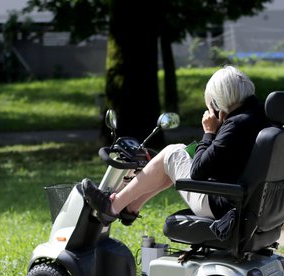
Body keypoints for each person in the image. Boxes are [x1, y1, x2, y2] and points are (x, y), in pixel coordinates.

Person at [82, 65, 270, 226]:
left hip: (220, 203)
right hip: (240, 200)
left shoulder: (236, 125)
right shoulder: (258, 117)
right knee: (178, 151)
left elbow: (197, 172)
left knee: (171, 154)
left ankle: (111, 207)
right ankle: (131, 206)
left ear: (217, 103)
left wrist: (209, 132)